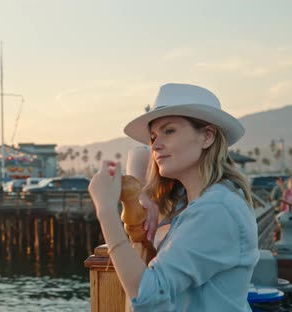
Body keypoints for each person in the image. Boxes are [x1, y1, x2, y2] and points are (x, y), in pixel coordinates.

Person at [88, 83, 259, 311]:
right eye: (153, 136)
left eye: (169, 131)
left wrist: (106, 211)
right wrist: (144, 195)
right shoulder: (195, 200)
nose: (156, 145)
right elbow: (138, 154)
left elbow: (148, 295)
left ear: (207, 136)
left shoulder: (216, 209)